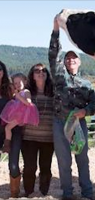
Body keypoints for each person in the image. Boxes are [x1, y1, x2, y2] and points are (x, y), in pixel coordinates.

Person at [48, 16, 95, 200]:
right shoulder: (59, 76)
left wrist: (85, 111)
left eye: (74, 58)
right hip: (60, 122)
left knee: (82, 160)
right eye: (68, 58)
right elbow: (54, 54)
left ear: (80, 62)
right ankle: (67, 194)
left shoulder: (86, 83)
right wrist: (56, 30)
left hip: (79, 124)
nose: (70, 61)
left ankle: (88, 193)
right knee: (63, 161)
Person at [21, 63, 54, 197]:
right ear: (32, 75)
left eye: (44, 70)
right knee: (29, 167)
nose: (41, 73)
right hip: (28, 137)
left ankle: (43, 193)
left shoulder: (54, 93)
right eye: (37, 71)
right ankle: (29, 192)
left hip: (48, 138)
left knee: (45, 168)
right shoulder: (27, 93)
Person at [0, 61, 23, 198]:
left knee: (13, 166)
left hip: (12, 131)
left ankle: (14, 194)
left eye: (0, 69)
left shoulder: (9, 88)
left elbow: (20, 104)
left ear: (3, 71)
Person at [0, 73, 39, 153]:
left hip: (21, 115)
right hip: (17, 114)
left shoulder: (26, 91)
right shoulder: (18, 92)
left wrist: (19, 97)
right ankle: (6, 144)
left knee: (7, 127)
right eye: (15, 83)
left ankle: (7, 145)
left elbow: (28, 103)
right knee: (7, 127)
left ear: (24, 82)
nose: (17, 85)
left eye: (19, 82)